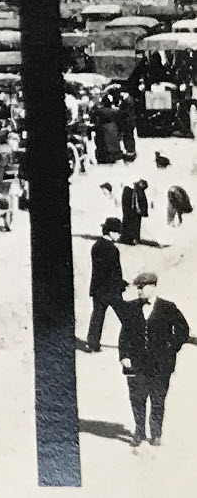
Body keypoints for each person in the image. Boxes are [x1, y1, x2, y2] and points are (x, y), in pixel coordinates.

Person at [118, 271, 189, 447]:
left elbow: (183, 331)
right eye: (138, 288)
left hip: (161, 365)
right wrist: (124, 356)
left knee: (157, 400)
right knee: (137, 399)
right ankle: (139, 432)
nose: (139, 292)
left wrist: (171, 347)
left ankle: (156, 433)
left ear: (152, 287)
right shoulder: (131, 308)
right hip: (137, 363)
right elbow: (124, 334)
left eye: (141, 288)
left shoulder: (168, 308)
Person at [87, 218, 127, 353]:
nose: (120, 235)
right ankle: (133, 343)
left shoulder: (96, 246)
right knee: (126, 316)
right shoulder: (112, 249)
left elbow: (100, 271)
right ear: (111, 232)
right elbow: (113, 272)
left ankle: (92, 344)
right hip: (111, 290)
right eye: (118, 232)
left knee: (97, 317)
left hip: (98, 289)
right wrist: (122, 283)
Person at [121, 179, 151, 246]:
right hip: (132, 210)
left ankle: (132, 238)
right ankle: (131, 239)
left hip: (133, 211)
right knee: (133, 224)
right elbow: (138, 201)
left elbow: (140, 201)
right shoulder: (136, 190)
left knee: (133, 224)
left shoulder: (137, 190)